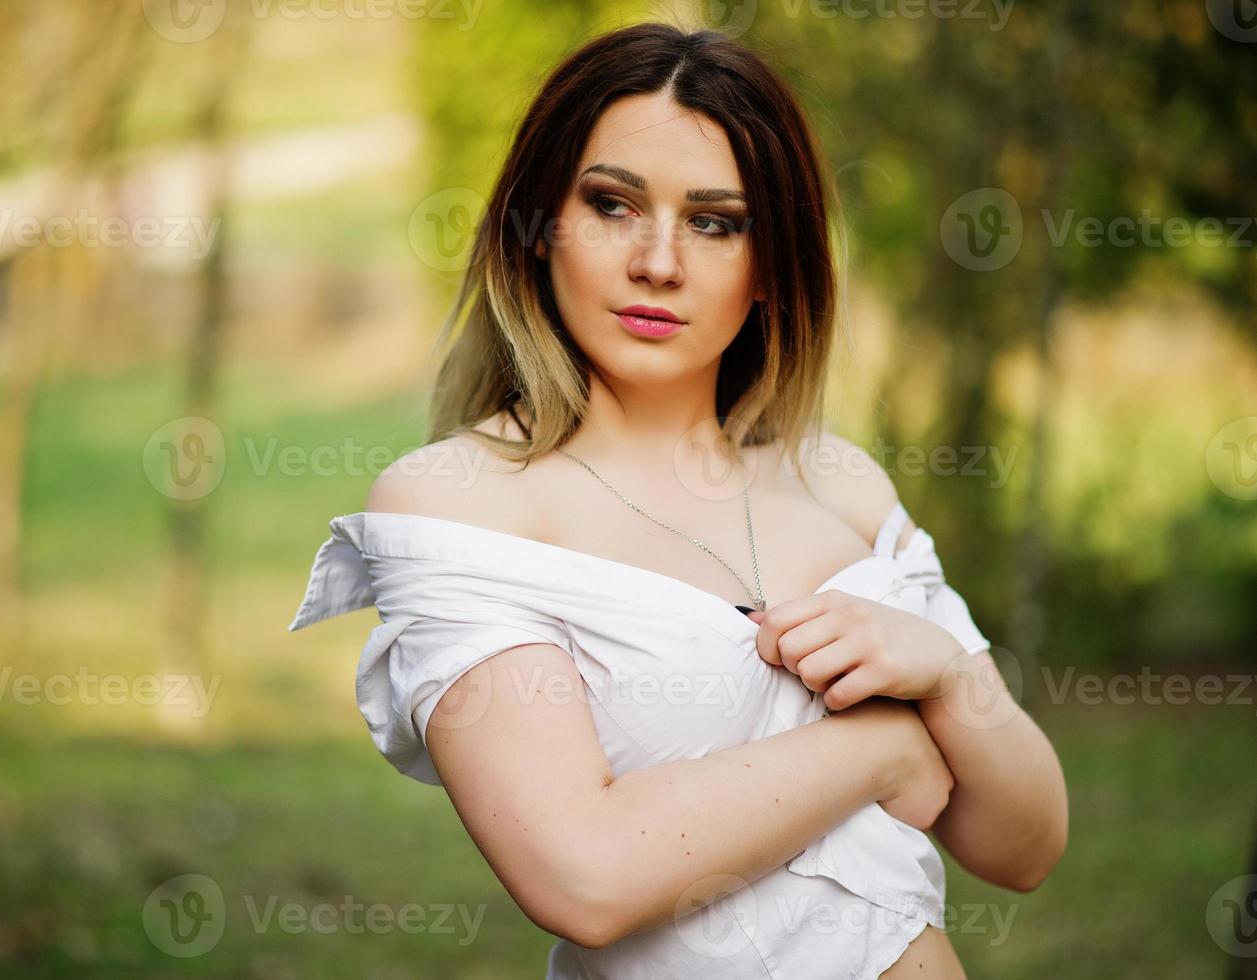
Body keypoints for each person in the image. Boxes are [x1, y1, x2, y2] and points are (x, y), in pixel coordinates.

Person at [289, 21, 1067, 978]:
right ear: (537, 230)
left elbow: (1023, 848)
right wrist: (885, 752)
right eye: (613, 205)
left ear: (774, 265)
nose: (658, 261)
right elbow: (585, 878)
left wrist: (949, 675)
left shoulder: (838, 482)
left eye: (715, 221)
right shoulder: (461, 503)